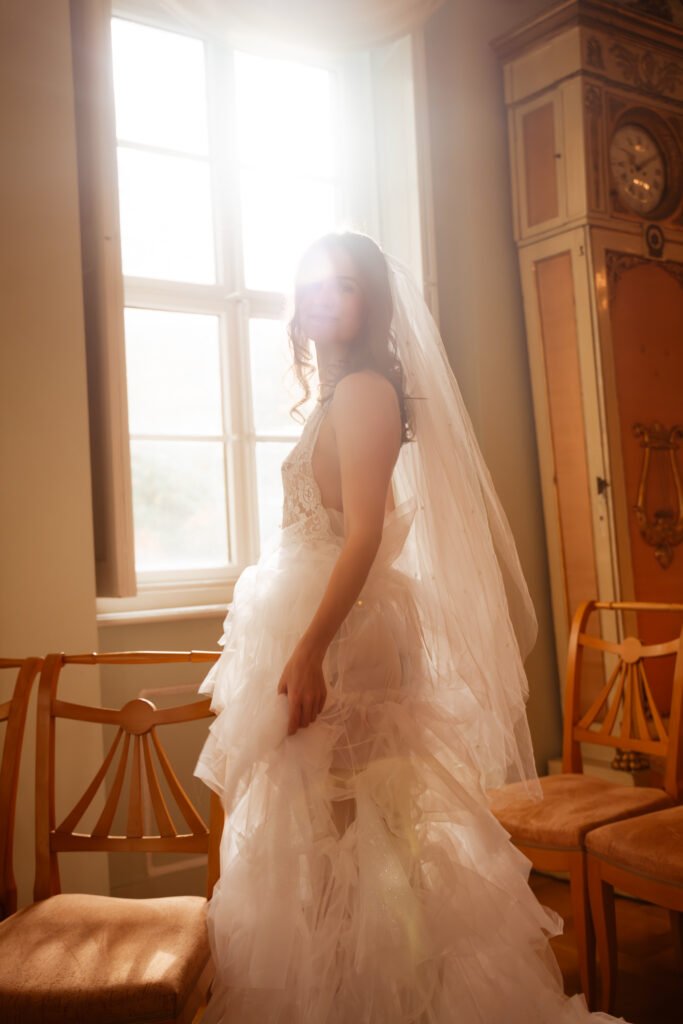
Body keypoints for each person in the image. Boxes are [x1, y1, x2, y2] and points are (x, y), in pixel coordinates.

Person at [194, 231, 626, 1023]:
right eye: (312, 284)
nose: (323, 297)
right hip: (328, 622)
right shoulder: (337, 394)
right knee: (333, 845)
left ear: (371, 305)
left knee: (363, 846)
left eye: (344, 285)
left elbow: (361, 534)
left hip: (345, 638)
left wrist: (310, 645)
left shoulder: (364, 391)